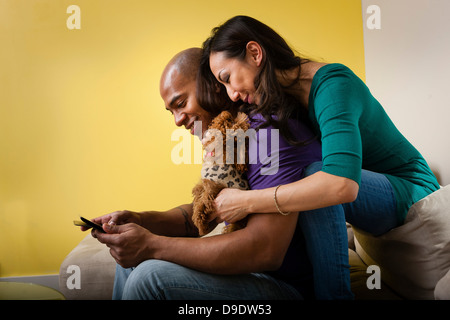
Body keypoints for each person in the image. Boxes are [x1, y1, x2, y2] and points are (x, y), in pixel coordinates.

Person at [199, 15, 441, 299]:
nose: (233, 94)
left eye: (228, 79)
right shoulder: (282, 99)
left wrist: (246, 202)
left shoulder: (333, 85)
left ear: (255, 53)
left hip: (411, 191)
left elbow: (341, 185)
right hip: (372, 196)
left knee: (315, 175)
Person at [85, 47, 323, 300]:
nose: (177, 120)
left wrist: (152, 245)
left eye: (181, 103)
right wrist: (140, 221)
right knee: (132, 263)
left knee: (150, 277)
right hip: (256, 275)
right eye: (172, 111)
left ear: (213, 84)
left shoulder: (270, 135)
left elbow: (265, 250)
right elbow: (204, 213)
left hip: (287, 287)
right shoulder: (229, 136)